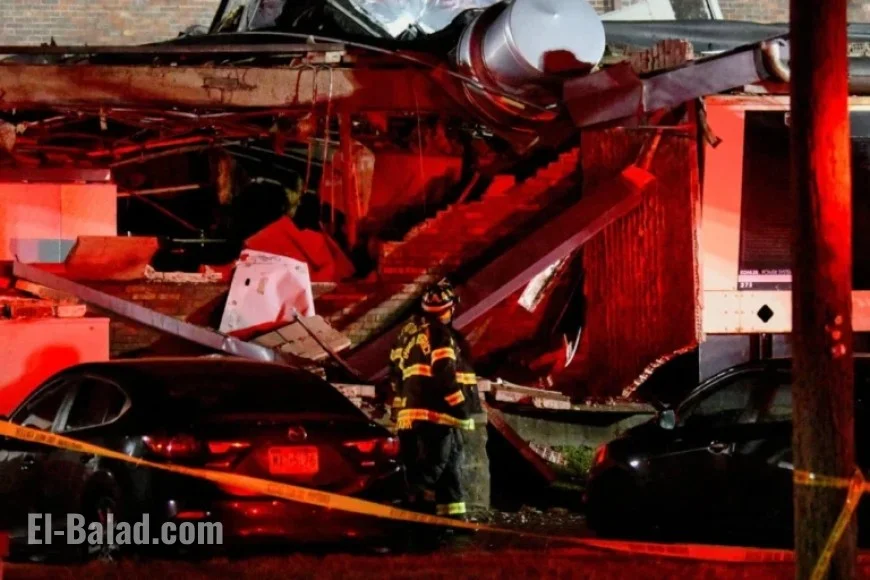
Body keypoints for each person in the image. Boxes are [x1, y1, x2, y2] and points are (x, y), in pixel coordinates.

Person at [389, 279, 478, 521]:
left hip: (412, 415)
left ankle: (452, 519)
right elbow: (443, 373)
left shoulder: (408, 336)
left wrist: (398, 410)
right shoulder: (440, 334)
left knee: (449, 467)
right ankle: (395, 500)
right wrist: (459, 405)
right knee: (433, 468)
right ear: (448, 309)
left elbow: (396, 375)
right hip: (436, 414)